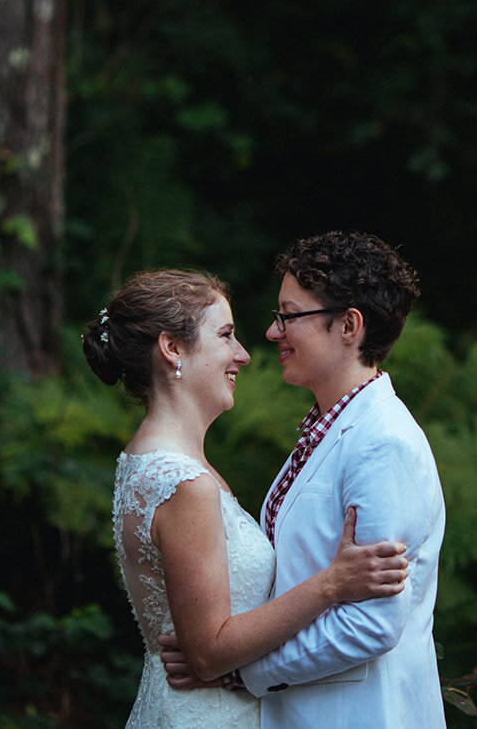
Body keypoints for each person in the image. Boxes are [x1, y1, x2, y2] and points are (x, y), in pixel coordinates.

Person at [84, 268, 411, 729]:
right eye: (225, 335)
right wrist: (331, 585)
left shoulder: (151, 461)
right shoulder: (184, 484)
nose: (243, 355)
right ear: (173, 348)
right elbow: (209, 653)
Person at [163, 231, 448, 728]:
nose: (273, 333)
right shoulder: (329, 426)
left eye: (289, 316)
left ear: (348, 326)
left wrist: (238, 670)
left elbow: (371, 624)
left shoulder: (383, 444)